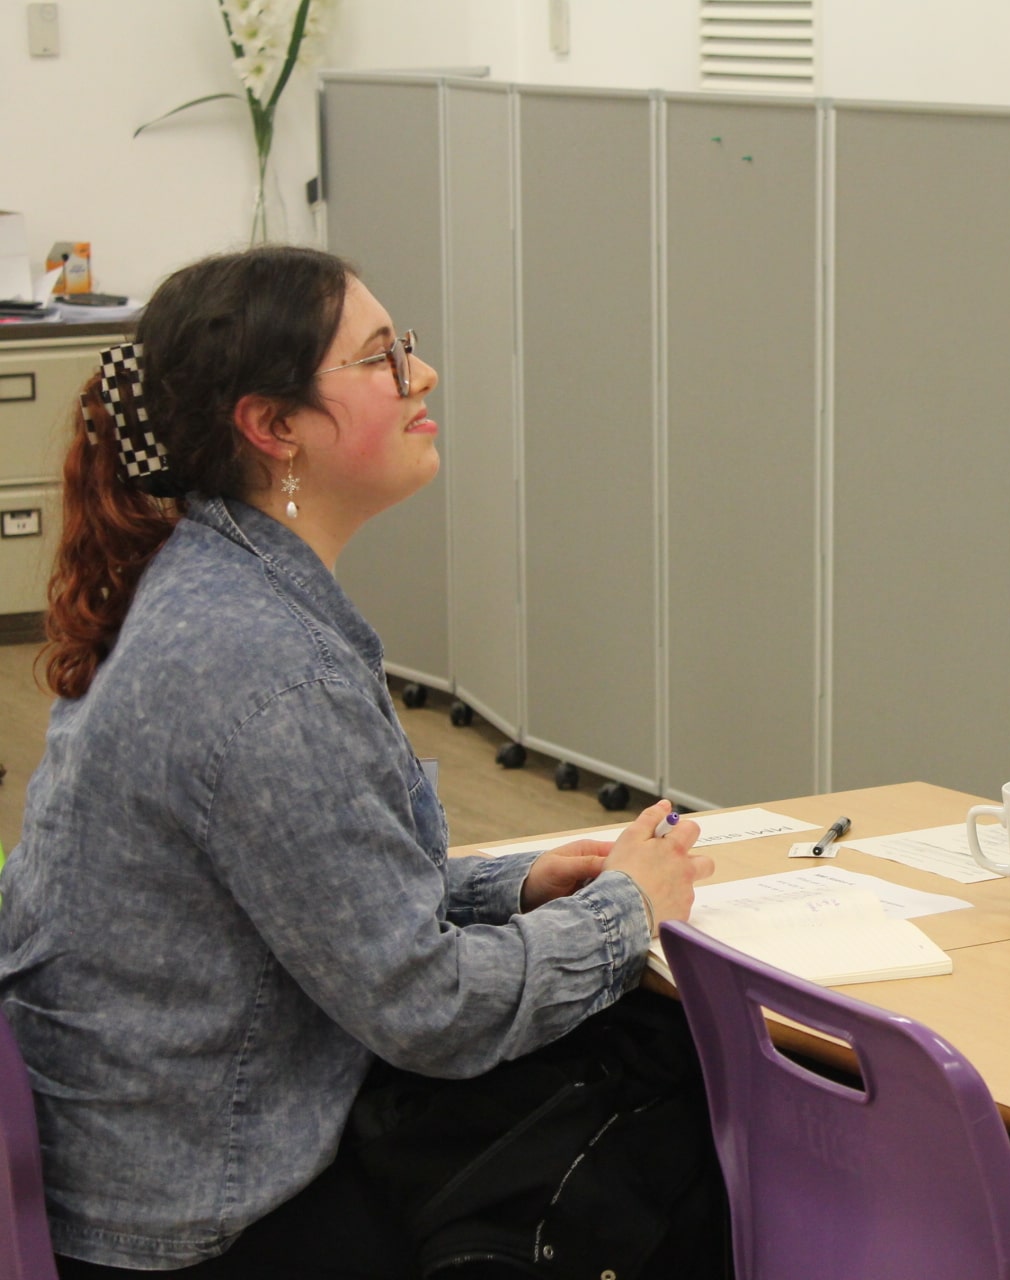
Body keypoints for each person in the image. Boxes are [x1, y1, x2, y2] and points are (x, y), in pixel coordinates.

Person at [0, 247, 716, 1276]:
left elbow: (309, 900)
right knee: (661, 1130)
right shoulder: (264, 665)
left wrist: (514, 887)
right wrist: (626, 911)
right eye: (382, 357)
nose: (423, 375)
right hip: (201, 1222)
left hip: (149, 1160)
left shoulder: (210, 585)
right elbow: (430, 1008)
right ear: (274, 424)